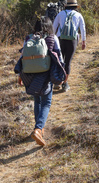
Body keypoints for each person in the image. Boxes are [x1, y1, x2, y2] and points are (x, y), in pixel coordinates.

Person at [16, 16, 64, 146]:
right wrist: (61, 74)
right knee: (46, 102)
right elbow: (59, 57)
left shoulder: (28, 38)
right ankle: (38, 129)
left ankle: (39, 128)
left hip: (30, 74)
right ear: (49, 26)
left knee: (37, 100)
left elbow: (22, 57)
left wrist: (20, 75)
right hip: (45, 74)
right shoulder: (52, 38)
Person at [52, 0, 86, 92]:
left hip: (60, 39)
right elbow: (82, 28)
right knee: (67, 62)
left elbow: (54, 27)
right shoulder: (78, 15)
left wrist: (51, 39)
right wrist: (83, 41)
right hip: (72, 40)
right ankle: (65, 84)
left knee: (59, 60)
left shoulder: (60, 14)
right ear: (75, 6)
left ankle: (57, 81)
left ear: (66, 6)